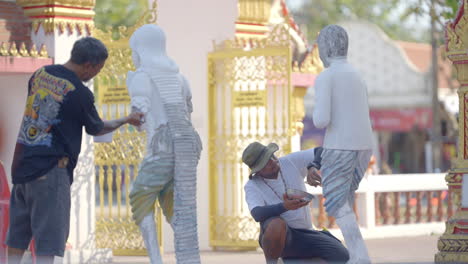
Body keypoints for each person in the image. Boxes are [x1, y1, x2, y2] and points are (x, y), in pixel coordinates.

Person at [6, 37, 143, 264]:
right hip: (50, 172)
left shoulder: (40, 74)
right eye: (98, 69)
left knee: (16, 238)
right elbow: (97, 128)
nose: (97, 74)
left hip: (22, 167)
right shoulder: (79, 92)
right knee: (47, 243)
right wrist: (126, 119)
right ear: (89, 65)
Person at [127, 24, 202, 264]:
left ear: (141, 49)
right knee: (175, 205)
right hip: (187, 147)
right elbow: (187, 112)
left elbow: (138, 120)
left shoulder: (141, 77)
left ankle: (156, 260)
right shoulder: (181, 78)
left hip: (161, 149)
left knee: (140, 198)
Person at [312, 24, 374, 264]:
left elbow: (321, 119)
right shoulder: (358, 75)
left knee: (337, 202)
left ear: (326, 48)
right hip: (363, 143)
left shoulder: (326, 77)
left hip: (341, 143)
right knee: (345, 201)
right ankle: (358, 255)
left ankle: (361, 257)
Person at [242, 142, 349, 264]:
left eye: (272, 156)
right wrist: (284, 207)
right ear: (258, 170)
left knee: (344, 257)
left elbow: (322, 150)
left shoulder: (289, 162)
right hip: (285, 237)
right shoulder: (252, 185)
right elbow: (257, 213)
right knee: (276, 224)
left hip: (307, 233)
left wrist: (313, 166)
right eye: (266, 162)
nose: (273, 161)